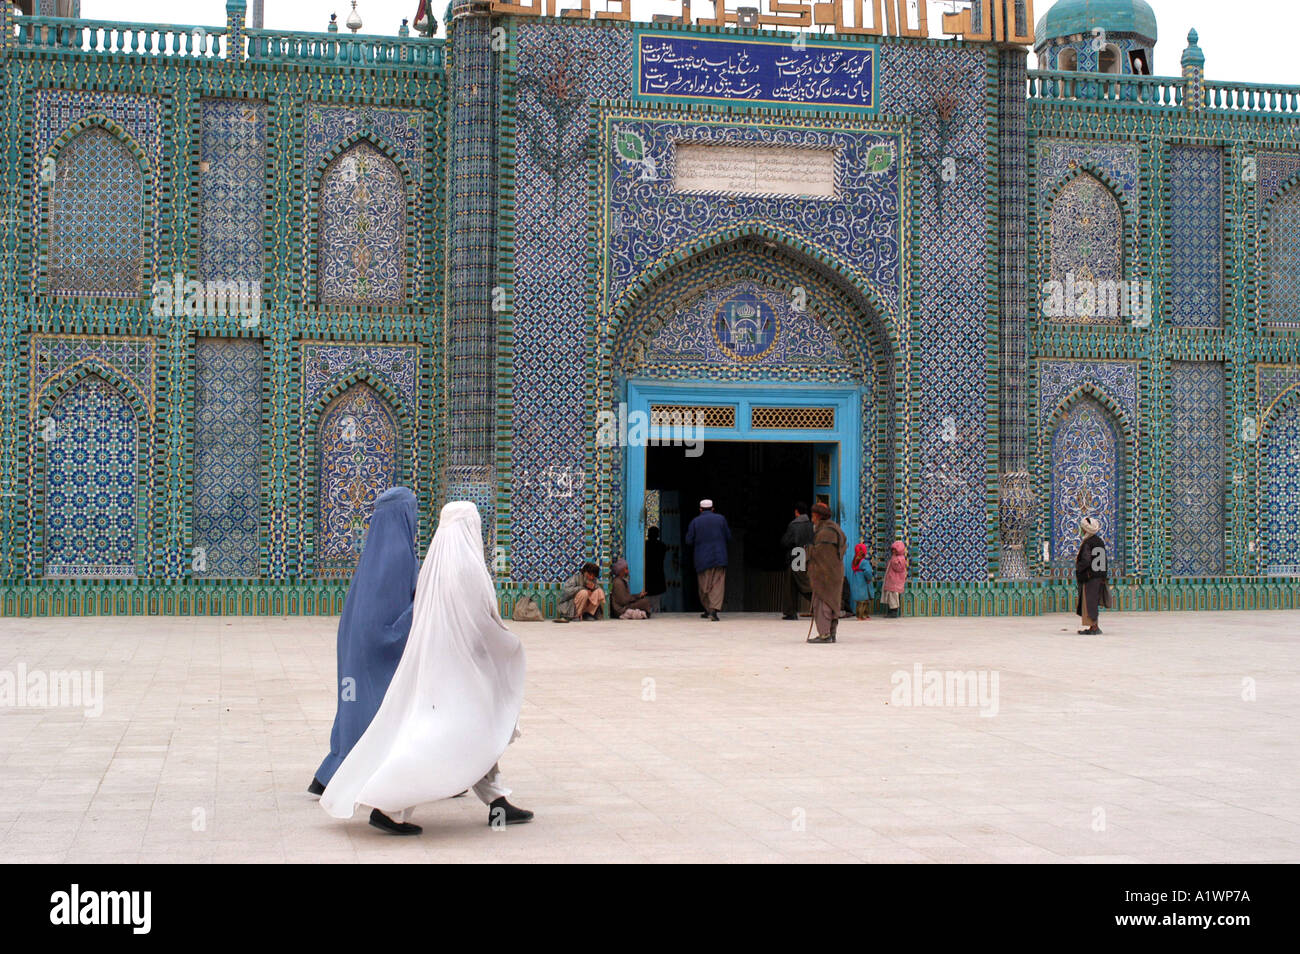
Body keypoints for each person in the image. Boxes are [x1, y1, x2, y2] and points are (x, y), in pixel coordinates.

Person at [320, 501, 532, 835]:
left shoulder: (433, 562)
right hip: (459, 669)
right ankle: (391, 807)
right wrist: (507, 644)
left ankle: (497, 802)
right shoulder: (469, 567)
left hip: (435, 662)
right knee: (438, 735)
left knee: (476, 728)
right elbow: (481, 620)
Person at [309, 487, 421, 797]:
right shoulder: (400, 553)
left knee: (352, 706)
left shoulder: (374, 549)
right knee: (381, 710)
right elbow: (401, 613)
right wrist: (426, 604)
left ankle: (331, 772)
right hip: (379, 648)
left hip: (354, 644)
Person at [806, 502, 846, 644]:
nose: (812, 519)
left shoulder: (825, 533)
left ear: (817, 516)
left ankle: (825, 634)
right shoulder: (835, 529)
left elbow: (820, 555)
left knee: (823, 605)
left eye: (813, 515)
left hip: (825, 575)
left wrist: (808, 550)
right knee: (832, 603)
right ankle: (831, 633)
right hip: (834, 574)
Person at [684, 498, 730, 621]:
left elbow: (689, 540)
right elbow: (728, 536)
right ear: (713, 509)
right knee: (717, 585)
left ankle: (708, 609)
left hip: (702, 559)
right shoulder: (721, 519)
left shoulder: (695, 522)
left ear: (700, 510)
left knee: (704, 586)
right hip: (719, 557)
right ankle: (713, 611)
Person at [1075, 517, 1112, 635]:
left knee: (1089, 602)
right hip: (1099, 576)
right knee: (1092, 601)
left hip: (1090, 577)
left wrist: (1079, 568)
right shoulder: (1099, 541)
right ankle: (1093, 626)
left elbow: (1086, 560)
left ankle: (1094, 627)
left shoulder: (1088, 543)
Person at [779, 502, 815, 620]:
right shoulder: (811, 525)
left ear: (796, 512)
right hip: (808, 556)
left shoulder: (794, 525)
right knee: (802, 582)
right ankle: (791, 612)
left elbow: (786, 541)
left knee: (797, 585)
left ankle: (791, 612)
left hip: (796, 556)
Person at [848, 543, 876, 620]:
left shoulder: (854, 560)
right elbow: (868, 572)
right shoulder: (864, 562)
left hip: (857, 582)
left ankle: (859, 616)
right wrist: (869, 579)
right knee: (864, 601)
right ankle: (863, 615)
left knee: (859, 601)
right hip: (864, 583)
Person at [881, 540, 908, 618]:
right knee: (890, 597)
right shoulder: (894, 558)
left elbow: (899, 569)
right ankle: (890, 611)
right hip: (891, 581)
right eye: (892, 550)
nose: (893, 551)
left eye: (895, 550)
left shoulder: (900, 559)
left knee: (894, 597)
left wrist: (894, 562)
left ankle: (894, 612)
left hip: (895, 582)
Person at [643, 527, 667, 600]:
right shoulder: (662, 545)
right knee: (657, 597)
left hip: (648, 573)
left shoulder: (645, 545)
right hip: (658, 573)